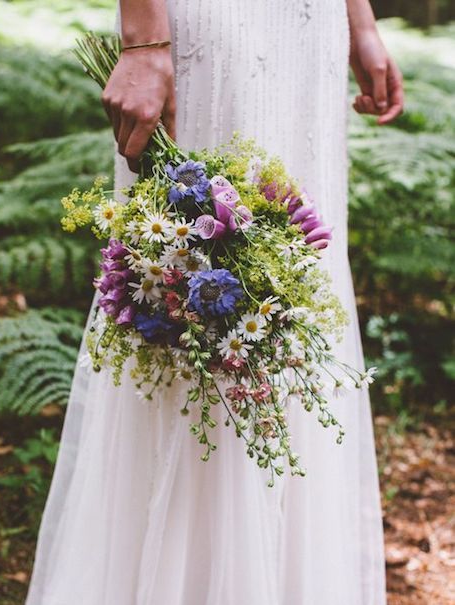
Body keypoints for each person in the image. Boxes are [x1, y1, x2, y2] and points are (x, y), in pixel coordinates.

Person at [25, 1, 404, 604]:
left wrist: (359, 21)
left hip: (308, 34)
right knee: (191, 279)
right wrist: (144, 43)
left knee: (293, 275)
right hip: (210, 30)